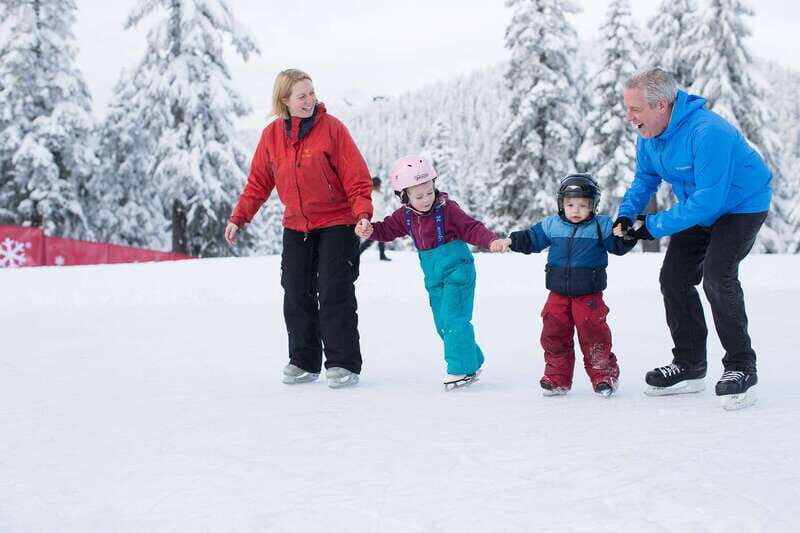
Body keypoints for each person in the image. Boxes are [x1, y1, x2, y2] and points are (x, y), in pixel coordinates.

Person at [617, 68, 771, 410]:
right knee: (673, 278)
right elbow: (644, 180)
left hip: (741, 207)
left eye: (635, 109)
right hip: (698, 208)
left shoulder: (707, 132)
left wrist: (652, 226)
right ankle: (689, 364)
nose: (629, 117)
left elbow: (710, 200)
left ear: (661, 106)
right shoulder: (649, 135)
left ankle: (741, 367)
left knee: (718, 276)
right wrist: (626, 217)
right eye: (627, 108)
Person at [224, 68, 373, 389]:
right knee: (295, 290)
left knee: (334, 290)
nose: (309, 100)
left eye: (311, 93)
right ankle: (304, 361)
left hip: (338, 221)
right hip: (297, 225)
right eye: (301, 95)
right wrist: (239, 217)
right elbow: (258, 182)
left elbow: (355, 176)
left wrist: (362, 213)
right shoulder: (272, 136)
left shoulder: (332, 129)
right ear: (285, 100)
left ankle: (343, 363)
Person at [356, 155, 506, 390]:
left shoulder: (448, 210)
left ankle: (461, 369)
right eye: (419, 196)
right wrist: (370, 231)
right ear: (404, 197)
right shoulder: (405, 216)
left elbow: (471, 228)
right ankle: (472, 358)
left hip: (459, 272)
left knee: (453, 319)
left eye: (429, 192)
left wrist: (491, 241)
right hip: (433, 277)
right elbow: (386, 229)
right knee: (442, 324)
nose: (427, 199)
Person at [495, 174, 635, 397]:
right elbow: (532, 238)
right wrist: (511, 241)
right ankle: (557, 377)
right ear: (561, 204)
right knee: (553, 333)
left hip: (589, 295)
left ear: (593, 206)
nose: (576, 210)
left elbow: (617, 246)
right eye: (570, 204)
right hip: (558, 294)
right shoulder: (552, 224)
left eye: (583, 205)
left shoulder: (602, 226)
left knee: (593, 334)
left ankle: (603, 375)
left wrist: (626, 236)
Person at [358, 177, 391, 261]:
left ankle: (382, 255)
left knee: (379, 239)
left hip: (375, 219)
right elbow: (379, 207)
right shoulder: (376, 195)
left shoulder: (371, 193)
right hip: (376, 219)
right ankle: (357, 254)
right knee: (371, 240)